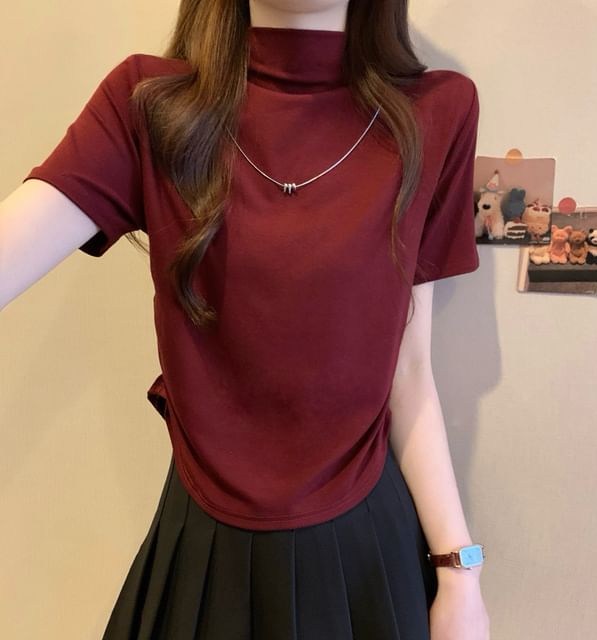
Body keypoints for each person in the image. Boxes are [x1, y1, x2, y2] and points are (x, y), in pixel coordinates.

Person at [1, 0, 491, 638]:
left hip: (368, 554)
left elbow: (409, 368)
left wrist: (459, 572)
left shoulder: (437, 111)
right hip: (203, 553)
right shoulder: (149, 103)